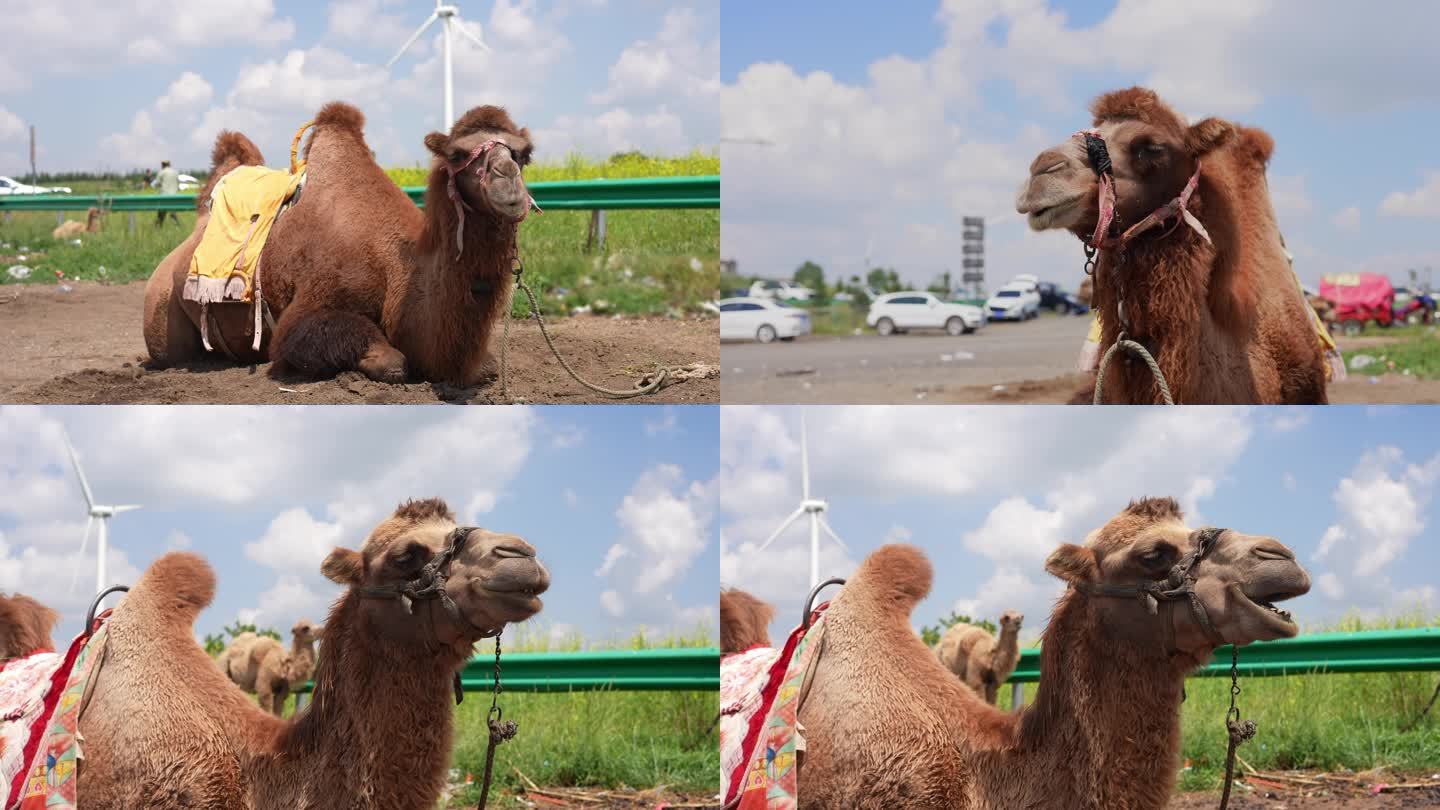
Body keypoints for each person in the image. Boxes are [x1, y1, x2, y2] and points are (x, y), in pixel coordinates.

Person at [152, 160, 180, 226]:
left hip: (164, 195)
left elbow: (157, 184)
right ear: (169, 164)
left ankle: (158, 226)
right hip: (174, 195)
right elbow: (178, 183)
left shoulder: (162, 172)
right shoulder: (175, 172)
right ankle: (177, 225)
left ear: (162, 165)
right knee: (172, 212)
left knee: (161, 213)